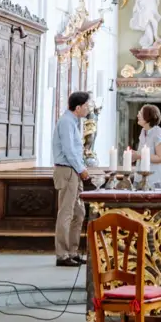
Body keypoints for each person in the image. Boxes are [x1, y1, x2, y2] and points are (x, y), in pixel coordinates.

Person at [51, 89, 92, 266]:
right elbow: (68, 150)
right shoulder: (67, 122)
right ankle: (62, 254)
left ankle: (73, 251)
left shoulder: (74, 121)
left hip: (74, 170)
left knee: (79, 211)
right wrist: (81, 169)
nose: (88, 108)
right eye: (86, 105)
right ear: (78, 107)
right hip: (67, 170)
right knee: (66, 212)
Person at [138, 103, 161, 189]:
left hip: (154, 179)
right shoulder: (143, 131)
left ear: (147, 116)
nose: (138, 115)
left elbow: (160, 157)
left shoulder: (158, 132)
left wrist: (138, 155)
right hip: (141, 178)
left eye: (140, 113)